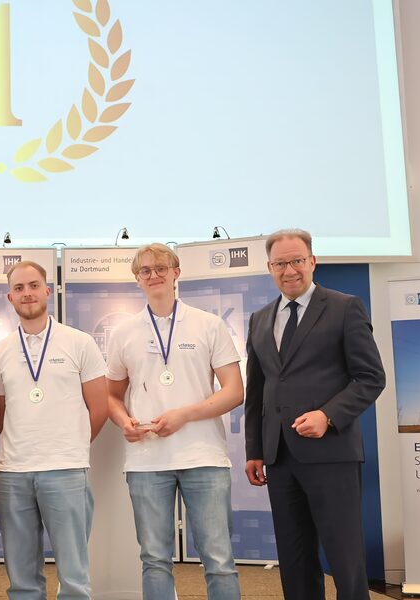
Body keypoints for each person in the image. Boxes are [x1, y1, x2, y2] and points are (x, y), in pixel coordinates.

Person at [244, 228, 385, 600]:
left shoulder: (344, 307)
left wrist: (328, 415)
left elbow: (371, 378)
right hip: (279, 457)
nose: (289, 270)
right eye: (280, 263)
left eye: (296, 261)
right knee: (295, 558)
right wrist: (255, 450)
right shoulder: (259, 318)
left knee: (344, 556)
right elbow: (256, 391)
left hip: (331, 453)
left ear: (312, 261)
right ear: (269, 268)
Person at [106, 243, 244, 600]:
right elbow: (111, 396)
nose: (154, 275)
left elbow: (234, 392)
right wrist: (123, 422)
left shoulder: (208, 325)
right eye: (146, 271)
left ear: (176, 273)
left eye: (161, 268)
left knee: (219, 558)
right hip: (147, 462)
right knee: (154, 559)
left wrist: (184, 415)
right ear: (137, 279)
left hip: (204, 457)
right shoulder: (123, 333)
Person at [0, 261, 107, 600]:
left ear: (48, 291)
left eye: (34, 285)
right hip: (14, 474)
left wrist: (70, 444)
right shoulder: (0, 352)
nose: (28, 293)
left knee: (74, 578)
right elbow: (1, 417)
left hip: (66, 471)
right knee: (22, 580)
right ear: (10, 297)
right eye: (20, 288)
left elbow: (99, 409)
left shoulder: (79, 342)